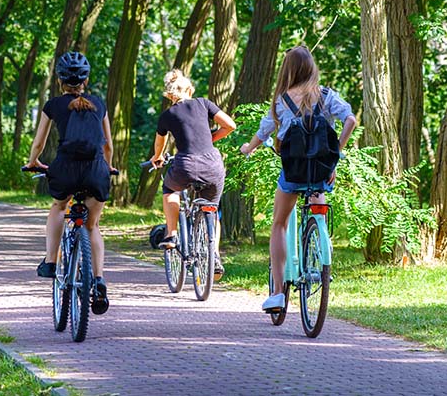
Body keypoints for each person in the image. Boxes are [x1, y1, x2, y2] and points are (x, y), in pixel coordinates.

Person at [239, 46, 357, 311]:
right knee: (319, 207)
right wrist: (336, 152)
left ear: (288, 70)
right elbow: (350, 119)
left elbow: (264, 131)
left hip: (293, 172)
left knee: (279, 223)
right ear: (311, 68)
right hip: (321, 172)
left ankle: (278, 293)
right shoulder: (326, 96)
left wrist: (248, 148)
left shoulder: (282, 100)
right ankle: (319, 252)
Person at [26, 52, 116, 315]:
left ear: (60, 80)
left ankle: (51, 262)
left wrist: (34, 161)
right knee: (92, 225)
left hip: (65, 169)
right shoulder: (99, 104)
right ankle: (98, 281)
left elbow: (39, 143)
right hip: (95, 170)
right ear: (85, 79)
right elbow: (108, 145)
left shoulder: (53, 105)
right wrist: (108, 167)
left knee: (58, 206)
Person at [149, 69, 236, 279]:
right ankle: (214, 256)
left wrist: (157, 157)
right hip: (213, 165)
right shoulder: (204, 103)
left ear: (170, 95)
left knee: (170, 189)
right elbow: (230, 125)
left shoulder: (167, 115)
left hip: (185, 164)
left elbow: (159, 144)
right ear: (190, 89)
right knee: (212, 209)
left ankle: (171, 234)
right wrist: (210, 138)